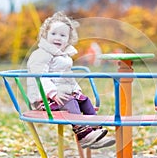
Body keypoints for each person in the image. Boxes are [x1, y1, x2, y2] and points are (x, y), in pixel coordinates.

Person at [27, 11, 115, 149]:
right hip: (44, 99)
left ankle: (96, 131)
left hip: (62, 95)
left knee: (84, 100)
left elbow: (67, 77)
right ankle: (84, 135)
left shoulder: (64, 57)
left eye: (63, 35)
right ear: (45, 35)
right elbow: (40, 77)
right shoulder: (41, 54)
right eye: (54, 34)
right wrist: (54, 93)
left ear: (68, 39)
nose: (58, 38)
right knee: (70, 101)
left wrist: (76, 90)